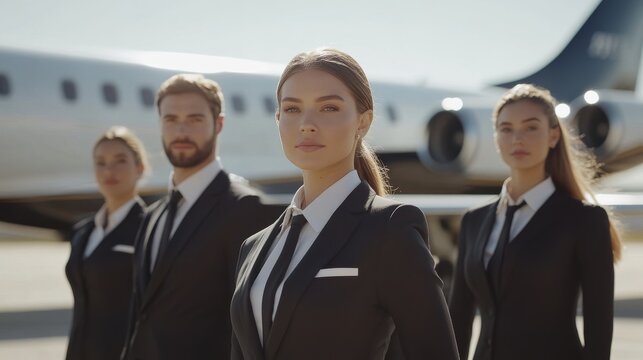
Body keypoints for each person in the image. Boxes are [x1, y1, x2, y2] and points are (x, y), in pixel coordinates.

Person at [230, 48, 459, 360]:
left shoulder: (391, 230)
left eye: (328, 108)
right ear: (278, 118)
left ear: (363, 122)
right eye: (293, 109)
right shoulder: (253, 247)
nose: (306, 124)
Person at [449, 84, 621, 360]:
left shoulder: (584, 221)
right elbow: (458, 319)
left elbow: (599, 322)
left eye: (530, 127)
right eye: (506, 129)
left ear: (553, 136)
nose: (517, 138)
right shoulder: (474, 220)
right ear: (496, 139)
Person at [120, 74, 280, 359]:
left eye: (195, 119)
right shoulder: (152, 216)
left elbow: (253, 325)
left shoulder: (244, 208)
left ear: (219, 124)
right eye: (170, 119)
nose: (181, 130)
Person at [65, 126, 148, 360]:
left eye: (120, 160)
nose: (109, 170)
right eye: (100, 162)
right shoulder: (82, 232)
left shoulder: (149, 228)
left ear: (140, 168)